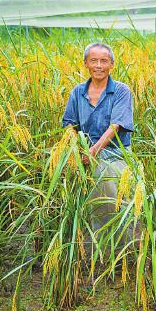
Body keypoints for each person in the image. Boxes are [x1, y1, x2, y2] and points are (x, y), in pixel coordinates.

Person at [62, 42, 134, 240]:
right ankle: (98, 251)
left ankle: (124, 251)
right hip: (85, 156)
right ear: (85, 63)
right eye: (94, 60)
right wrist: (78, 150)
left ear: (112, 64)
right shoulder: (77, 92)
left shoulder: (121, 90)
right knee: (92, 208)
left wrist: (92, 152)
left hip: (114, 155)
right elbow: (69, 124)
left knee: (118, 204)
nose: (99, 66)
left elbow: (116, 126)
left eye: (104, 61)